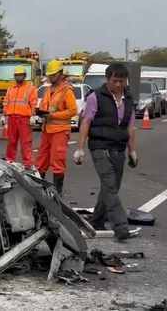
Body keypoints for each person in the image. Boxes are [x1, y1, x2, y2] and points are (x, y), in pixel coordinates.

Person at [73, 63, 137, 241]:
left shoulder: (129, 98)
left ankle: (98, 220)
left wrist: (133, 151)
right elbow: (86, 122)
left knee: (112, 187)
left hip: (119, 147)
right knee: (109, 185)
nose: (118, 84)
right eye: (115, 80)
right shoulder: (96, 97)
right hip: (99, 146)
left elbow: (130, 127)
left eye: (121, 81)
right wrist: (80, 148)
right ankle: (121, 227)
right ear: (107, 79)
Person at [35, 60, 77, 195]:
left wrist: (53, 115)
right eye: (49, 75)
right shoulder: (48, 90)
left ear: (60, 74)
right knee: (41, 161)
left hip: (60, 131)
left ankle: (57, 191)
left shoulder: (66, 90)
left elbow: (72, 111)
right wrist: (41, 112)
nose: (51, 77)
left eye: (53, 75)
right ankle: (39, 190)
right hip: (47, 130)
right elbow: (44, 107)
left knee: (57, 161)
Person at [1, 66, 38, 169]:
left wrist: (32, 115)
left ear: (24, 76)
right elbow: (6, 102)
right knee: (11, 142)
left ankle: (28, 163)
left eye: (20, 75)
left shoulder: (30, 88)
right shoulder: (11, 89)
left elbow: (34, 103)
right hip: (12, 118)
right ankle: (10, 161)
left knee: (25, 142)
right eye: (16, 75)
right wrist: (4, 115)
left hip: (24, 119)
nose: (18, 77)